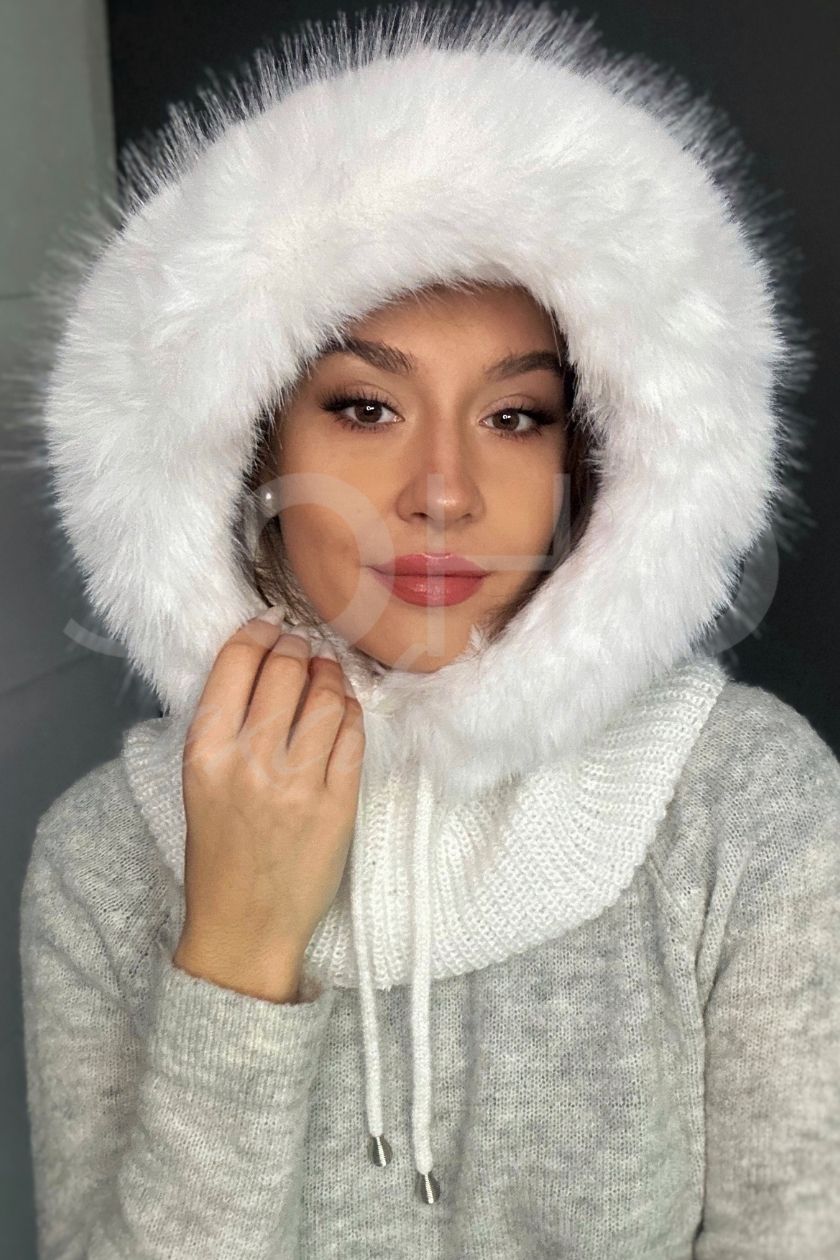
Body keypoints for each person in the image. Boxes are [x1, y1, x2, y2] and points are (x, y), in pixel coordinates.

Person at [18, 2, 840, 1257]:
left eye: (516, 417)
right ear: (244, 445)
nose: (445, 493)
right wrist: (238, 946)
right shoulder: (99, 864)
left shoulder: (748, 808)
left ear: (595, 458)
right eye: (364, 407)